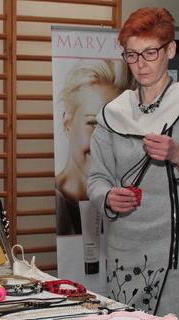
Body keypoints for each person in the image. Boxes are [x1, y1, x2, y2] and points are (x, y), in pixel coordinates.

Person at [87, 7, 179, 320]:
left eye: (150, 52)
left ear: (170, 50)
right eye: (132, 55)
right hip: (125, 250)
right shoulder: (113, 113)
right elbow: (96, 179)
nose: (141, 64)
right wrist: (107, 197)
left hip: (178, 256)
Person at [56, 60, 131, 235]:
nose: (103, 139)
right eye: (93, 123)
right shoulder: (56, 204)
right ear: (67, 123)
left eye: (114, 125)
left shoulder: (127, 197)